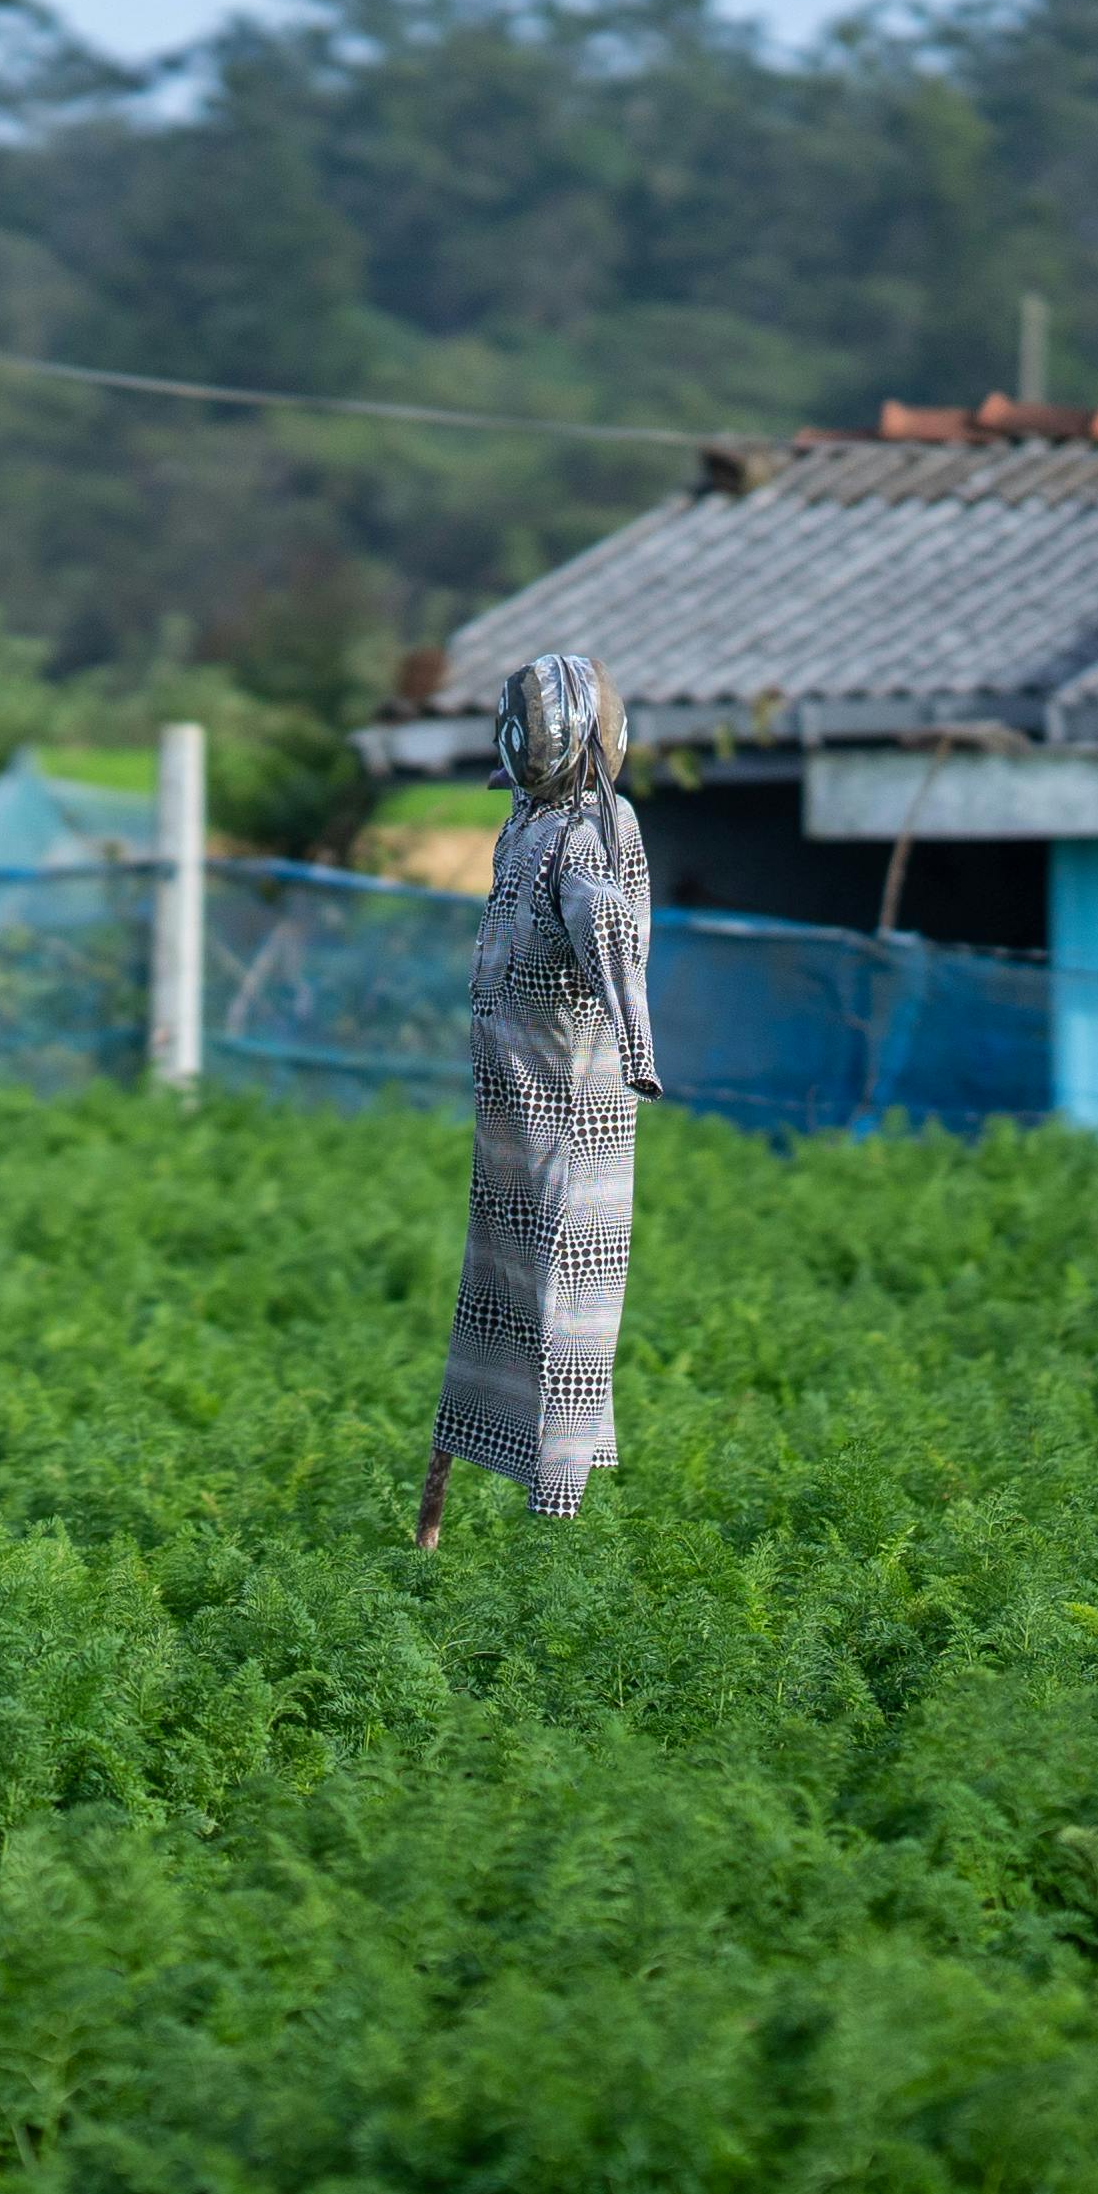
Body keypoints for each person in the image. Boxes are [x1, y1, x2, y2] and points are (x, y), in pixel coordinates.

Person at [419, 653, 660, 1546]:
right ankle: (466, 1484)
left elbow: (609, 929)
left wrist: (636, 1045)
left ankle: (556, 1521)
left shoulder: (591, 835)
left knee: (562, 1301)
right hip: (511, 1112)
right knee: (495, 1288)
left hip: (567, 1109)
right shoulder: (527, 822)